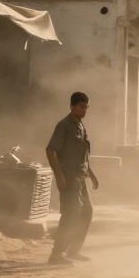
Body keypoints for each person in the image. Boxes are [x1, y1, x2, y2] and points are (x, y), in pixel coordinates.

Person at [47, 92, 99, 266]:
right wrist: (59, 176)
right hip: (69, 178)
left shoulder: (80, 126)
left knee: (87, 212)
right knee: (71, 214)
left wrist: (91, 175)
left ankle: (74, 250)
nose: (84, 110)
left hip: (80, 177)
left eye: (86, 107)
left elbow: (82, 155)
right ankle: (56, 253)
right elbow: (51, 151)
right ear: (72, 106)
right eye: (81, 106)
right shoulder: (64, 126)